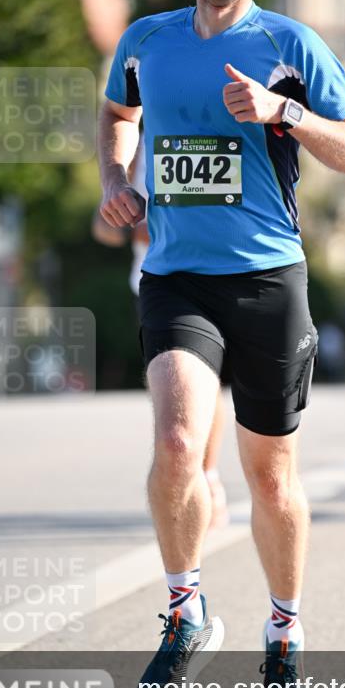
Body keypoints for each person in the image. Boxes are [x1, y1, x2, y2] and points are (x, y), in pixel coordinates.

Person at [97, 0, 345, 688]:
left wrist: (284, 113)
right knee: (179, 443)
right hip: (177, 277)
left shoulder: (290, 44)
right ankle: (185, 611)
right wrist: (117, 181)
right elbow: (119, 113)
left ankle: (283, 636)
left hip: (266, 283)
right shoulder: (146, 41)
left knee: (269, 476)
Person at [93, 143, 229, 528]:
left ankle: (208, 473)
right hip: (152, 285)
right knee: (182, 385)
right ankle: (193, 478)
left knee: (204, 381)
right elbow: (103, 230)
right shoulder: (133, 150)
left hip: (205, 277)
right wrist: (123, 214)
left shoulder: (197, 139)